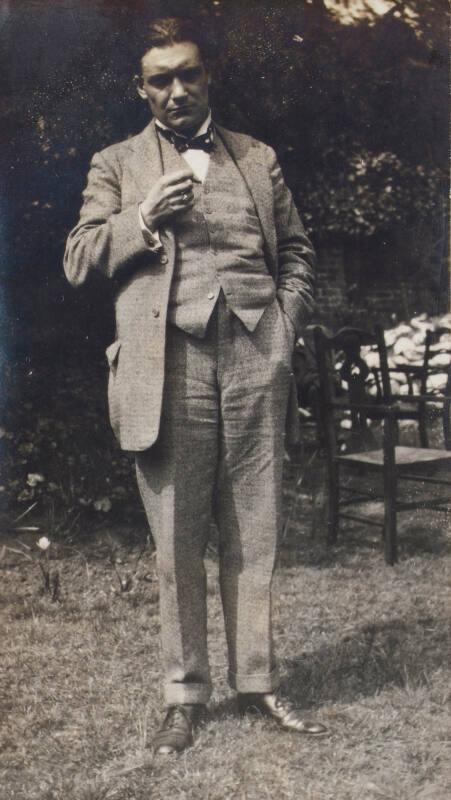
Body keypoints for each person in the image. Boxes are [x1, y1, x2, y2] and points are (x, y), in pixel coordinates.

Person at [64, 16, 327, 755]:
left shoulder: (257, 158)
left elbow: (298, 252)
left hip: (253, 361)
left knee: (255, 529)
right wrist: (140, 218)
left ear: (208, 75)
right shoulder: (114, 163)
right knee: (177, 539)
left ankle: (257, 680)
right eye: (160, 79)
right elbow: (78, 258)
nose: (176, 91)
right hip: (166, 365)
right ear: (140, 88)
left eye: (188, 74)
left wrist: (281, 328)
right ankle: (184, 695)